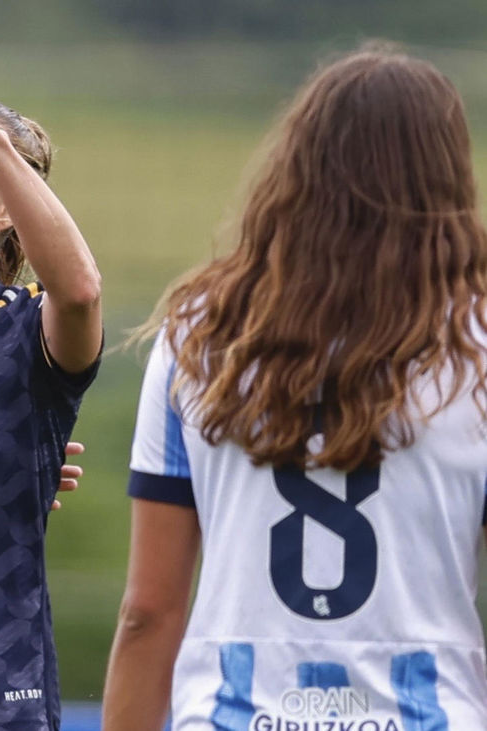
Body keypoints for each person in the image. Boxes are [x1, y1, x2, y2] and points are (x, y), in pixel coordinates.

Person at [102, 44, 487, 730]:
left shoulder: (199, 333)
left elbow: (148, 612)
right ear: (448, 179)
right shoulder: (477, 346)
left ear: (298, 168)